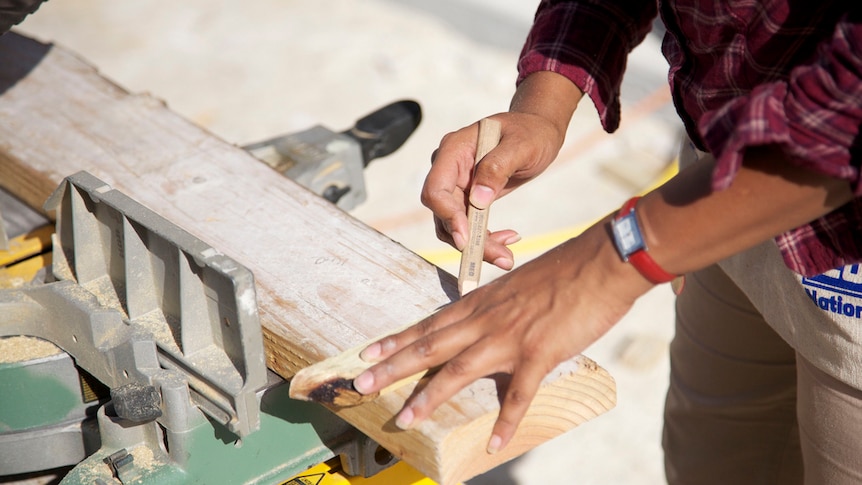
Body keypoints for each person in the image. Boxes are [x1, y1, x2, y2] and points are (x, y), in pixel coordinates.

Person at [351, 1, 861, 483]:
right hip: (719, 174)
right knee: (711, 459)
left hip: (846, 232)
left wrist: (609, 261)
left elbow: (847, 116)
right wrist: (543, 107)